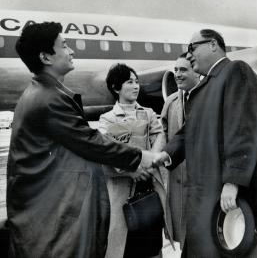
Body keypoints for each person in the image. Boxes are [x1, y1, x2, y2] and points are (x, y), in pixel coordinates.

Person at [7, 22, 155, 258]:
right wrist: (141, 157)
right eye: (64, 46)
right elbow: (91, 142)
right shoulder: (48, 99)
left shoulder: (42, 93)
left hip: (45, 218)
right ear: (46, 57)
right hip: (51, 226)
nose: (72, 51)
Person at [153, 29, 257, 257]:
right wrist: (167, 154)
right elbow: (190, 131)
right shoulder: (206, 87)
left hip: (224, 193)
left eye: (192, 48)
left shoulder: (236, 71)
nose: (189, 55)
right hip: (205, 195)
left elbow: (244, 129)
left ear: (213, 44)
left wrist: (233, 182)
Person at [98, 63, 173, 258]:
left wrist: (152, 160)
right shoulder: (107, 119)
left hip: (148, 182)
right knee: (126, 241)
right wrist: (132, 169)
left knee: (152, 237)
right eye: (129, 82)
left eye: (137, 82)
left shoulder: (148, 113)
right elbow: (106, 151)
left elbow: (160, 136)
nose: (136, 86)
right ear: (116, 88)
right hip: (122, 186)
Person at [160, 53, 200, 249]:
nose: (177, 74)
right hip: (177, 178)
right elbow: (163, 134)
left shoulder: (208, 99)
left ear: (197, 72)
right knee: (183, 236)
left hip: (202, 182)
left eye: (183, 70)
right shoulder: (171, 102)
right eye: (175, 70)